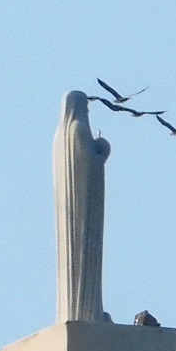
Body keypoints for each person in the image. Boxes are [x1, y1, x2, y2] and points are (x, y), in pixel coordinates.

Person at [53, 90, 111, 323]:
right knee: (85, 255)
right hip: (84, 206)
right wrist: (102, 153)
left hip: (70, 209)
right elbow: (86, 164)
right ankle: (87, 309)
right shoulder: (77, 129)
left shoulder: (59, 138)